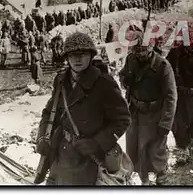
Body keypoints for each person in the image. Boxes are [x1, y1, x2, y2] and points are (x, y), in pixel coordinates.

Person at [36, 32, 131, 185]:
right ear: (67, 57)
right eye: (73, 54)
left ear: (91, 56)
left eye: (83, 54)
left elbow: (122, 119)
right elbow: (50, 112)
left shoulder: (103, 83)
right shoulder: (61, 80)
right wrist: (42, 137)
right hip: (63, 151)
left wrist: (97, 143)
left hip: (90, 158)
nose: (77, 59)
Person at [119, 32, 177, 185]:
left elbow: (171, 96)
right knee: (135, 146)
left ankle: (161, 175)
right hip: (135, 111)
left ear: (151, 48)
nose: (140, 54)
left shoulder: (163, 66)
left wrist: (166, 122)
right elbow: (122, 75)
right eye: (137, 51)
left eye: (144, 50)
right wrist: (126, 80)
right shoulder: (131, 60)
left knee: (156, 148)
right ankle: (143, 178)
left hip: (155, 113)